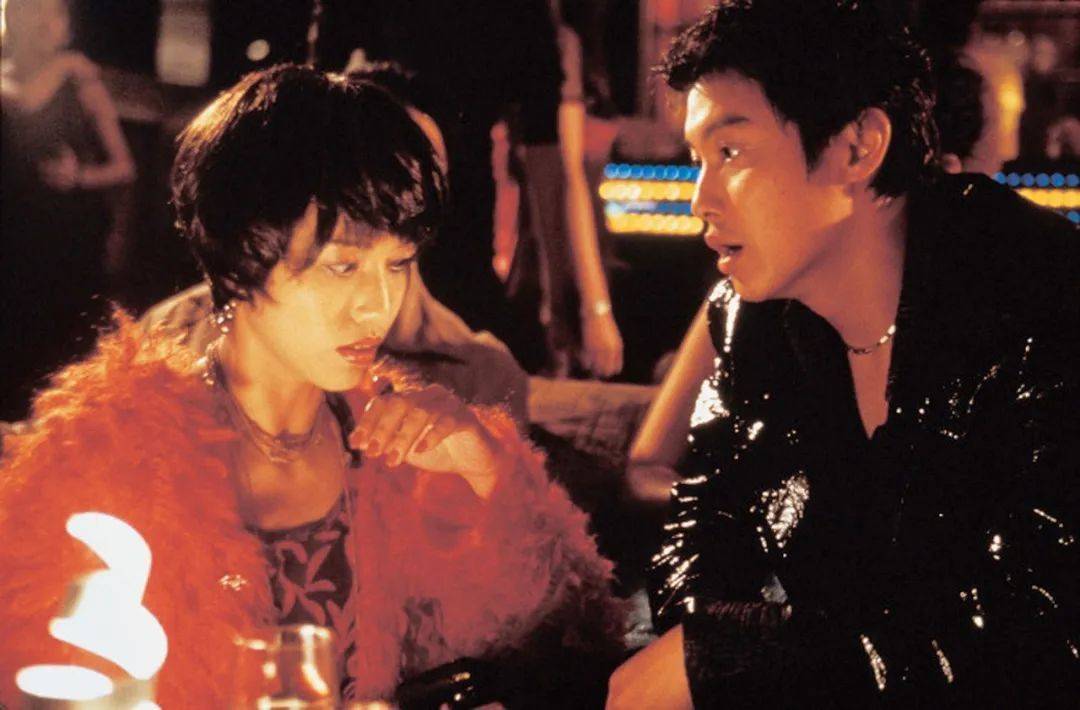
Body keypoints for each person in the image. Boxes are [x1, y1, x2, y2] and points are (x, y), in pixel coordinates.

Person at [0, 65, 623, 706]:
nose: (377, 305)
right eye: (343, 267)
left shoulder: (406, 450)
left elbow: (577, 640)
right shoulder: (109, 457)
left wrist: (487, 473)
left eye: (399, 264)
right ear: (244, 256)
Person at [607, 1, 1079, 707]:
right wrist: (713, 652)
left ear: (858, 147)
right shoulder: (751, 322)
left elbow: (1037, 634)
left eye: (730, 153)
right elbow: (699, 533)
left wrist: (736, 660)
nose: (701, 198)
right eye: (698, 159)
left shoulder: (1040, 298)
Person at [0, 0, 136, 421]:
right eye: (35, 11)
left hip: (66, 246)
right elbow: (21, 102)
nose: (46, 22)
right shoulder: (12, 81)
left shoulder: (80, 81)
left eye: (55, 13)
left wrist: (79, 176)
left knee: (60, 368)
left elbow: (124, 167)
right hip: (11, 243)